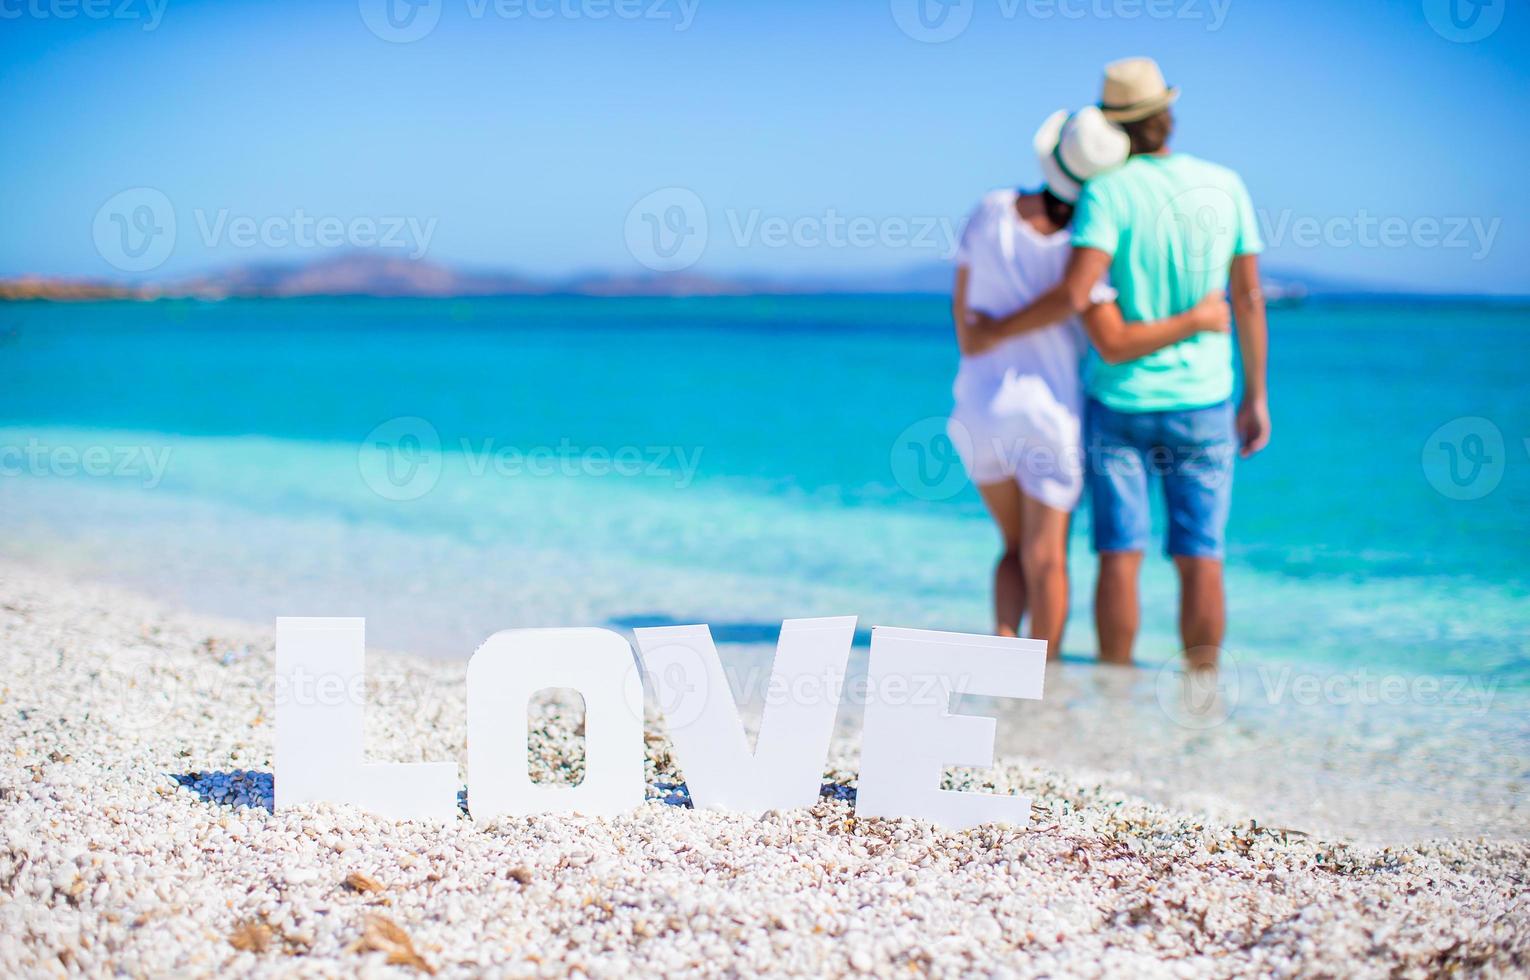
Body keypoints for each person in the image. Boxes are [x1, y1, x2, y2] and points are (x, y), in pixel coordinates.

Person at [973, 58, 1270, 670]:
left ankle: (1117, 694)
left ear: (1113, 126)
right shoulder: (1226, 184)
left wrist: (996, 331)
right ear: (1168, 115)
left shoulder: (1107, 192)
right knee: (1202, 556)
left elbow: (1080, 293)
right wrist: (1256, 395)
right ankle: (1201, 693)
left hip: (1121, 400)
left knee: (1119, 555)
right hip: (1206, 398)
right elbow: (1247, 299)